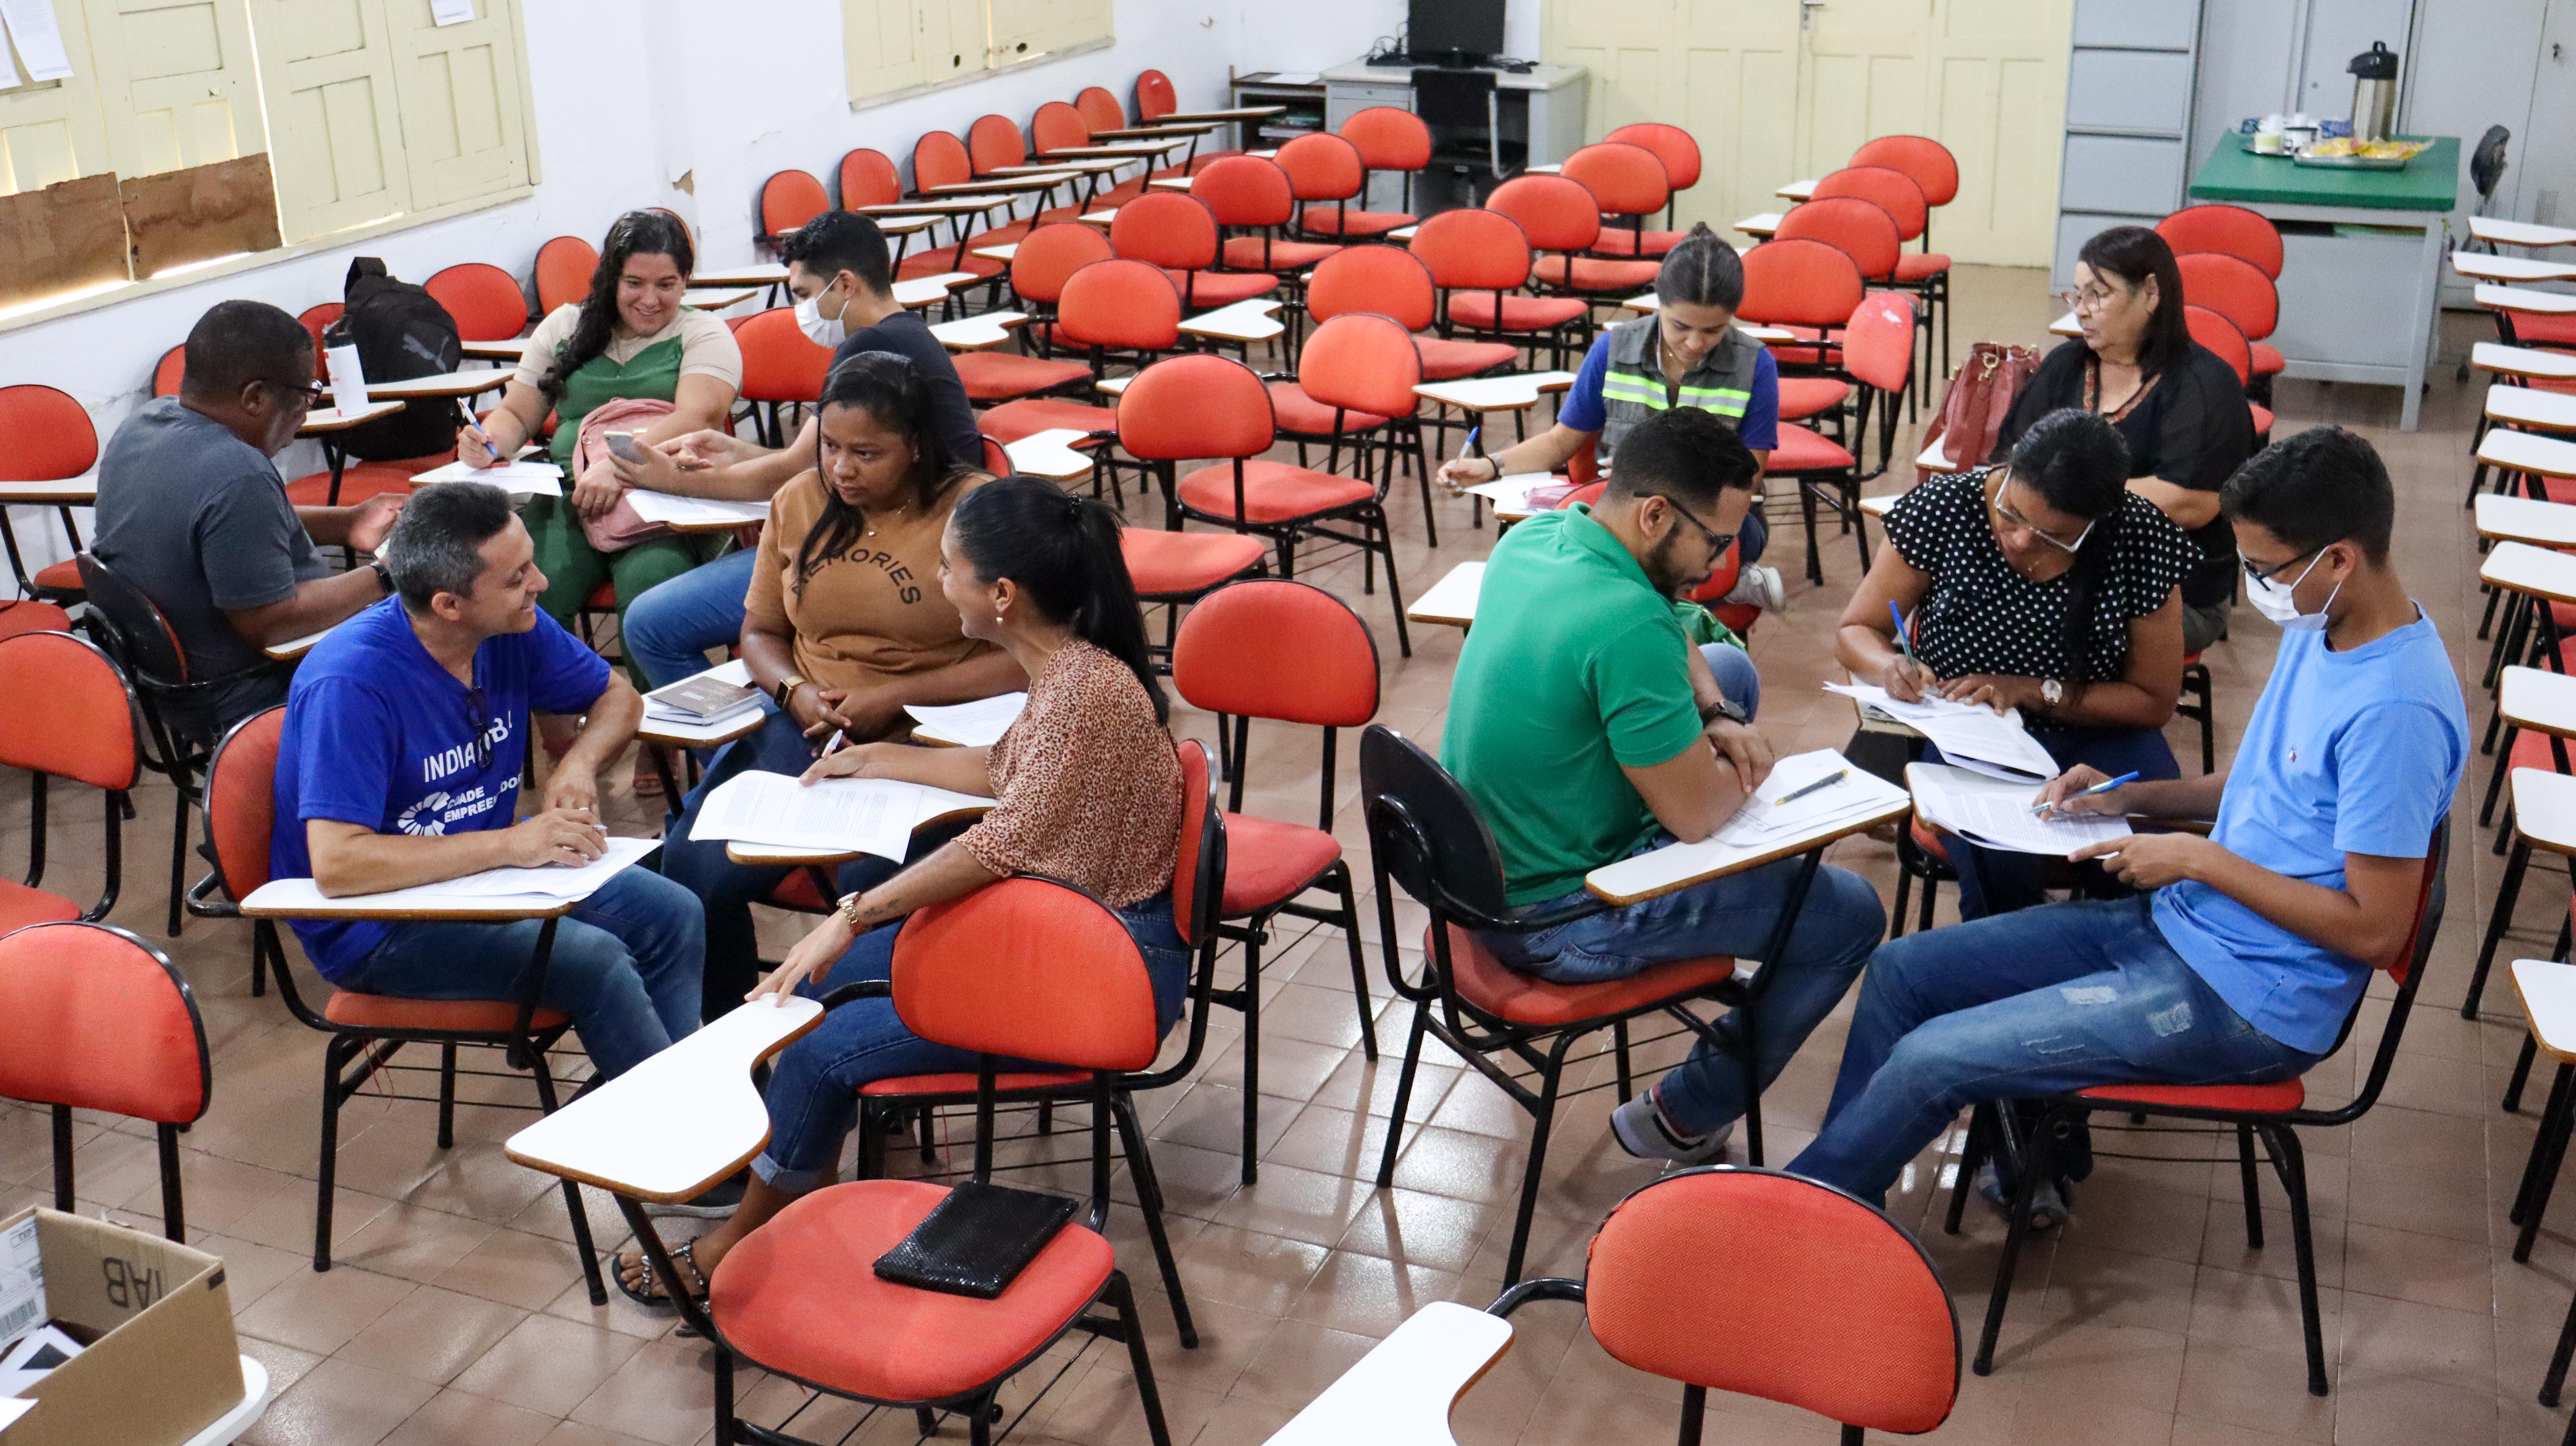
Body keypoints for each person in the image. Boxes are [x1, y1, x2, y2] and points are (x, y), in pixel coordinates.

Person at [1789, 428, 2466, 1224]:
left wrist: (2198, 861)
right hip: (2187, 928)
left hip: (2249, 1000)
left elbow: (2377, 931)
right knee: (1902, 973)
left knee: (1931, 1058)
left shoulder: (2395, 711)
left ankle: (1800, 1220)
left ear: (2339, 559)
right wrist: (2126, 798)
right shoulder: (2324, 628)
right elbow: (2258, 789)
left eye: (2264, 569)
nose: (2255, 588)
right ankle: (1835, 1202)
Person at [614, 478, 1187, 1305]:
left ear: (1001, 594)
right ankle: (804, 1191)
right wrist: (881, 758)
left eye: (950, 568)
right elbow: (1005, 771)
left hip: (1105, 973)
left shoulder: (1082, 692)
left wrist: (852, 914)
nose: (939, 582)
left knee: (822, 1044)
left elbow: (1001, 843)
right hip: (1071, 933)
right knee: (821, 988)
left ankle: (739, 1240)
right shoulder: (1071, 670)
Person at [1441, 406, 1886, 1165]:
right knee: (1847, 915)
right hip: (1557, 918)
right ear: (1654, 515)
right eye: (1715, 542)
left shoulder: (1538, 538)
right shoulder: (1624, 623)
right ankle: (1685, 1113)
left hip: (1480, 872)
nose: (1720, 565)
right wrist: (1752, 773)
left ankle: (1705, 863)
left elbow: (1666, 621)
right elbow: (1697, 815)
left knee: (1730, 671)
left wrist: (1716, 712)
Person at [269, 481, 703, 1079]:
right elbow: (339, 865)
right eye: (518, 577)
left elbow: (618, 697)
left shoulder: (509, 626)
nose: (541, 584)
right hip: (379, 925)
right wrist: (510, 844)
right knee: (594, 961)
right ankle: (667, 1120)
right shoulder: (350, 683)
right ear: (450, 604)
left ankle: (665, 1092)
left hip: (485, 878)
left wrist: (578, 763)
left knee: (675, 913)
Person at [659, 353, 1024, 1016]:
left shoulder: (971, 511)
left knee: (869, 882)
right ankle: (733, 1036)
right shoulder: (799, 500)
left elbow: (1026, 659)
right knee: (691, 873)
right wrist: (793, 692)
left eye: (866, 453)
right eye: (830, 447)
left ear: (916, 447)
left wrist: (896, 697)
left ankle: (857, 1047)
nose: (841, 469)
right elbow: (760, 633)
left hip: (930, 732)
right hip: (810, 722)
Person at [1837, 409, 2197, 918]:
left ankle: (2123, 955)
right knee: (1998, 860)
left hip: (2102, 730)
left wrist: (2030, 689)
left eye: (2054, 536)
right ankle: (2007, 957)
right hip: (1974, 736)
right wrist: (1887, 666)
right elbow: (1857, 629)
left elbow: (2154, 700)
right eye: (2011, 514)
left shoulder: (2140, 538)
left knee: (2137, 859)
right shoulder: (1945, 508)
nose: (2023, 540)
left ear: (2098, 522)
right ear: (2007, 470)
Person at [615, 210, 984, 695]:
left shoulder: (871, 349)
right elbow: (816, 459)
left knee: (650, 624)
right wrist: (735, 450)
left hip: (889, 540)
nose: (801, 310)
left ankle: (735, 728)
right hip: (882, 521)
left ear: (845, 284)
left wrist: (666, 478)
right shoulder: (902, 332)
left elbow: (793, 473)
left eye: (805, 294)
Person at [1434, 223, 1788, 613]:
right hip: (1623, 513)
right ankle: (1722, 584)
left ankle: (1692, 591)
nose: (1694, 343)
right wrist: (1490, 466)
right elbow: (1561, 442)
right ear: (1658, 304)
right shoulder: (1613, 350)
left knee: (1678, 548)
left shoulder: (1755, 365)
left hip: (1712, 519)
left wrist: (1655, 480)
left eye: (1713, 331)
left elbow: (1748, 477)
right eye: (1680, 326)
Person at [92, 300, 404, 738]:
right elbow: (272, 623)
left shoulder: (145, 425)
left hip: (168, 690)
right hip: (251, 692)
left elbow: (227, 529)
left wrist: (348, 522)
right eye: (306, 395)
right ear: (255, 397)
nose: (305, 415)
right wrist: (389, 573)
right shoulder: (238, 473)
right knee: (445, 641)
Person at [456, 210, 742, 665]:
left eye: (666, 285)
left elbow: (698, 415)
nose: (650, 299)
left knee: (651, 591)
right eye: (634, 283)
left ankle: (651, 712)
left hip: (663, 500)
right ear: (611, 278)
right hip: (572, 497)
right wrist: (489, 443)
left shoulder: (701, 332)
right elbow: (517, 414)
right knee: (524, 585)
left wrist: (617, 466)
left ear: (686, 281)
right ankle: (555, 705)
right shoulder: (565, 327)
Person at [1996, 226, 2257, 654]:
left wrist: (2054, 498)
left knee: (2035, 628)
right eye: (2076, 296)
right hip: (2048, 565)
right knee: (1960, 602)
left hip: (2165, 592)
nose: (2082, 311)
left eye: (2098, 295)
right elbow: (2008, 466)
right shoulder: (2064, 367)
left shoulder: (2204, 384)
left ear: (2151, 293)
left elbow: (2189, 502)